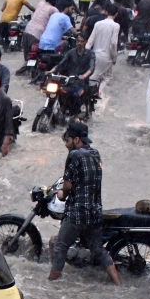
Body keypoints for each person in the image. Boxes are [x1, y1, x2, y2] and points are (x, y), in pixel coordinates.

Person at [49, 122, 122, 285]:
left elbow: (67, 186)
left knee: (60, 246)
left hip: (77, 213)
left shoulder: (74, 155)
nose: (66, 144)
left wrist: (61, 195)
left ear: (76, 139)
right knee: (98, 250)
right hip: (94, 212)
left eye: (68, 140)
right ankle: (118, 284)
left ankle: (51, 284)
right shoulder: (95, 153)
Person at [86, 3, 119, 96]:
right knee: (107, 77)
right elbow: (113, 43)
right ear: (116, 14)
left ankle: (92, 93)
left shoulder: (98, 24)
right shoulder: (115, 26)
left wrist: (85, 53)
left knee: (93, 75)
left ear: (106, 12)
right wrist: (114, 57)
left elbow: (90, 41)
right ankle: (97, 93)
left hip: (94, 54)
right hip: (106, 57)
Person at [48, 32, 94, 98]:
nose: (79, 43)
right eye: (78, 41)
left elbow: (91, 68)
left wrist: (84, 75)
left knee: (76, 96)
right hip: (69, 80)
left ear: (85, 42)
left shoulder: (90, 54)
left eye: (81, 41)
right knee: (58, 91)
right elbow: (61, 63)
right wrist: (51, 71)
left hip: (81, 83)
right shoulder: (71, 52)